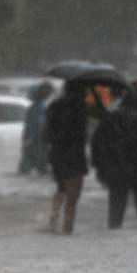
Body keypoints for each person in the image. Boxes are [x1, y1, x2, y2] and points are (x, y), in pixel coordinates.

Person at [91, 85, 137, 229]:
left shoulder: (111, 117)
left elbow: (97, 142)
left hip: (116, 165)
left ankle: (114, 226)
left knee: (117, 202)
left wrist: (99, 165)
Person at [44, 80, 91, 234]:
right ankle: (67, 227)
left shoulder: (54, 106)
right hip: (75, 155)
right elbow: (84, 135)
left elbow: (46, 135)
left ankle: (53, 219)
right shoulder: (81, 108)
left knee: (61, 188)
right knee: (73, 195)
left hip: (57, 154)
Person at [18, 81, 54, 176]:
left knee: (25, 170)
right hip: (36, 144)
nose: (28, 94)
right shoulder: (37, 108)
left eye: (30, 93)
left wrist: (30, 139)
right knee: (40, 170)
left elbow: (38, 126)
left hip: (36, 144)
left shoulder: (39, 108)